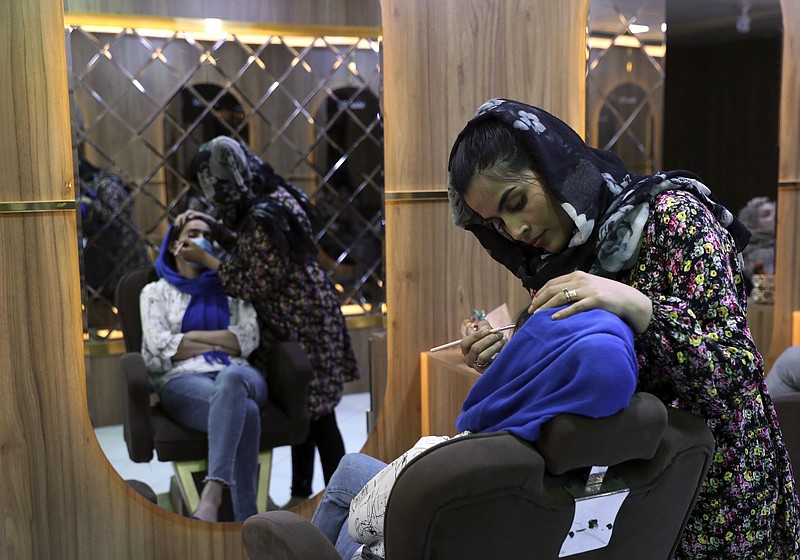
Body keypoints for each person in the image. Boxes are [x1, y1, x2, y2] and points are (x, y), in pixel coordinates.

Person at [447, 98, 800, 558]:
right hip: (626, 498)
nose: (514, 230)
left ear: (555, 168)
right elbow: (578, 370)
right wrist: (506, 355)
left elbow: (737, 374)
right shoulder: (559, 262)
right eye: (495, 222)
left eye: (516, 203)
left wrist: (639, 306)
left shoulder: (674, 220)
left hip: (719, 491)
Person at [310, 304, 639, 559]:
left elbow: (360, 525)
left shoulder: (446, 457)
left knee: (349, 478)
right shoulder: (609, 463)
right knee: (354, 467)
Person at [175, 136, 360, 508]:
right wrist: (212, 225)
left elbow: (254, 280)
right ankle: (301, 493)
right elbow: (250, 247)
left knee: (318, 415)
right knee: (305, 408)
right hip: (305, 312)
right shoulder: (268, 195)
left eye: (210, 187)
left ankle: (349, 498)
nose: (210, 196)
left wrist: (209, 261)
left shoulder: (264, 214)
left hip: (304, 319)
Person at [140, 217, 265, 522]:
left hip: (240, 372)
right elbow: (160, 345)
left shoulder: (232, 289)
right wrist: (223, 342)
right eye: (192, 233)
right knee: (245, 412)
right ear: (174, 246)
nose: (200, 239)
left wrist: (191, 340)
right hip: (183, 379)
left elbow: (248, 339)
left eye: (207, 235)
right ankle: (249, 519)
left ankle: (213, 494)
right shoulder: (155, 292)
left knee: (232, 377)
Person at [737, 196, 777, 295]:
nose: (775, 216)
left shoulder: (789, 243)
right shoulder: (743, 251)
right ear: (752, 222)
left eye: (776, 211)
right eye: (766, 214)